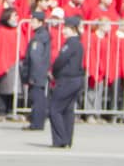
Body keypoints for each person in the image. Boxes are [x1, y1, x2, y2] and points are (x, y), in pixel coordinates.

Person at [48, 17, 86, 149]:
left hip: (67, 80)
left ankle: (61, 139)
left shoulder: (71, 44)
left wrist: (54, 71)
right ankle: (67, 139)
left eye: (66, 28)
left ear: (73, 29)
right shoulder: (77, 44)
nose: (63, 31)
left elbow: (60, 60)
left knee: (54, 109)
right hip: (75, 80)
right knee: (67, 111)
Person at [22, 17, 53, 133]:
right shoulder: (43, 35)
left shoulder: (39, 37)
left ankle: (36, 123)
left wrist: (32, 75)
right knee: (39, 98)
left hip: (37, 72)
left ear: (40, 22)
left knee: (37, 98)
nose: (31, 24)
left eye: (34, 22)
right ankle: (37, 122)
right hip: (41, 71)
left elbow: (35, 57)